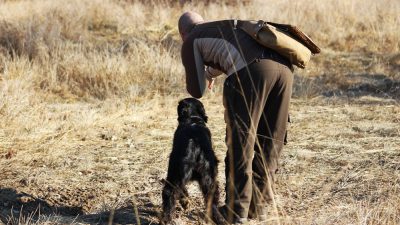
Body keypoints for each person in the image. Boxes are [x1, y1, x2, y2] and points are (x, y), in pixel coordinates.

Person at [178, 11, 293, 224]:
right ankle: (258, 208)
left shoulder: (190, 40)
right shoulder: (225, 26)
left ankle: (236, 210)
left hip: (252, 73)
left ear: (183, 33)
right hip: (284, 69)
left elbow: (196, 91)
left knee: (241, 142)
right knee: (270, 140)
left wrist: (200, 71)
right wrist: (211, 72)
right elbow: (232, 51)